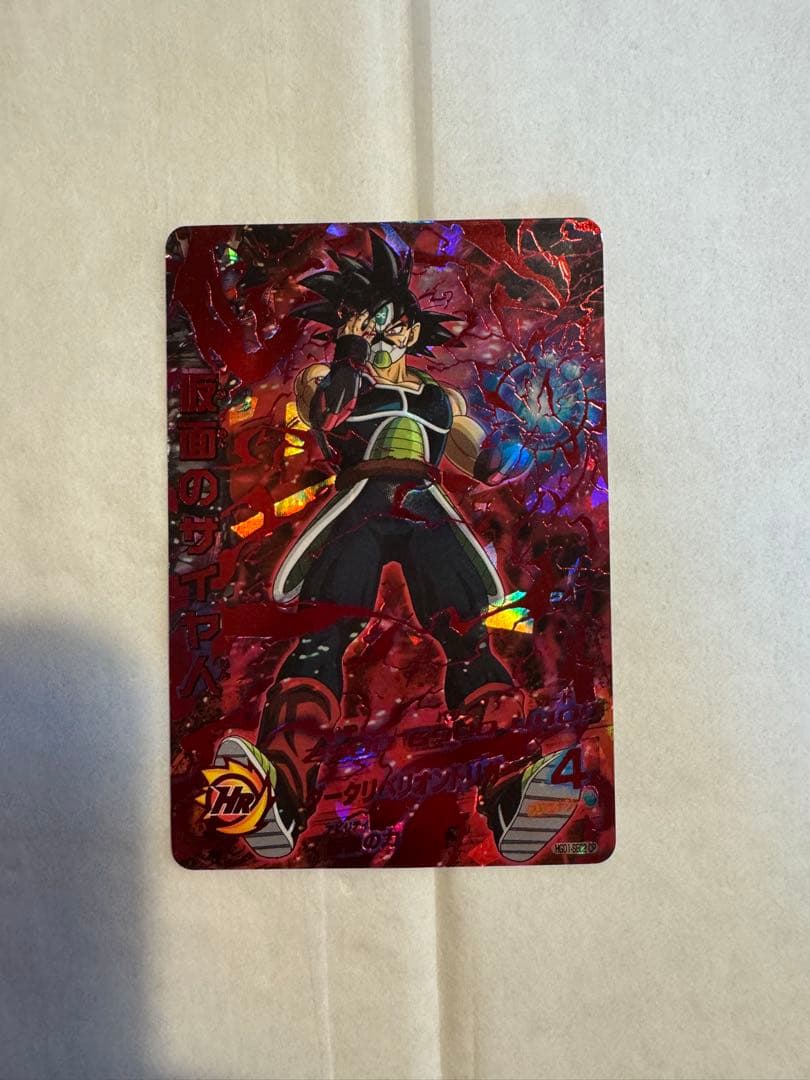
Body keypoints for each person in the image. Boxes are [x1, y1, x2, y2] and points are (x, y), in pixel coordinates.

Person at [216, 232, 581, 861]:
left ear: (411, 330)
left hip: (426, 508)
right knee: (322, 637)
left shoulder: (442, 399)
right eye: (364, 321)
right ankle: (281, 788)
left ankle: (510, 792)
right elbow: (328, 415)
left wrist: (534, 427)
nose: (379, 333)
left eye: (387, 321)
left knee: (469, 639)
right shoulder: (326, 376)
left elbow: (487, 464)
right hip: (359, 505)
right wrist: (352, 351)